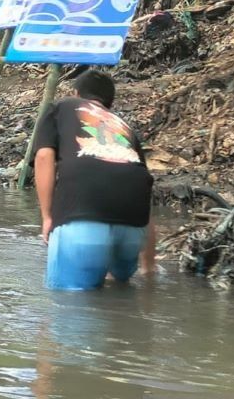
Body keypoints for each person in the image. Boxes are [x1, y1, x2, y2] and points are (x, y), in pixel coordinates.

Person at [31, 70, 156, 290]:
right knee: (121, 291)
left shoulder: (60, 106)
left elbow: (43, 157)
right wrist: (149, 267)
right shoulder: (123, 125)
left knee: (71, 308)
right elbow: (144, 187)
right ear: (110, 102)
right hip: (134, 228)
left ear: (76, 93)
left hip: (81, 221)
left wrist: (47, 216)